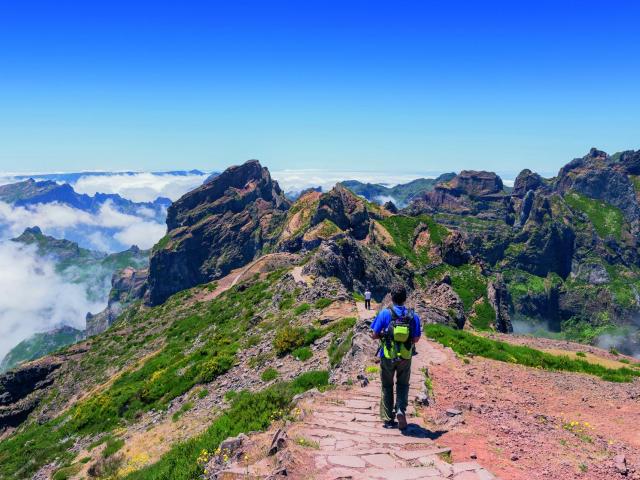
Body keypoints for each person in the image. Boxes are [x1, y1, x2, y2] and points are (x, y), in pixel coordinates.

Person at [370, 283, 421, 430]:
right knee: (403, 384)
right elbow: (416, 338)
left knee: (387, 385)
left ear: (391, 297)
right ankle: (400, 410)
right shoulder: (413, 316)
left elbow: (373, 334)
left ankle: (388, 419)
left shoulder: (385, 314)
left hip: (387, 355)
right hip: (405, 356)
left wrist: (383, 335)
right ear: (405, 298)